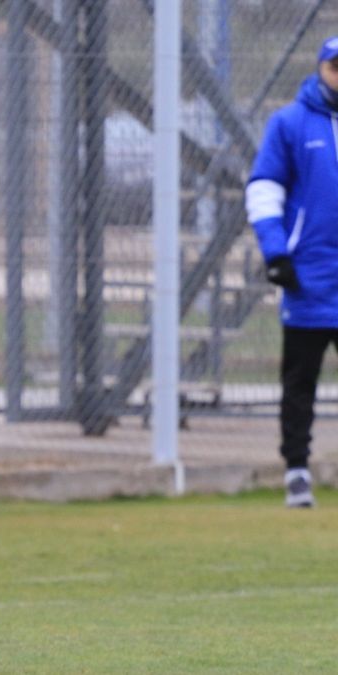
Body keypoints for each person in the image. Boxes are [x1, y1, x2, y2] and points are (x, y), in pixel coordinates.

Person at [246, 35, 338, 509]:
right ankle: (297, 472)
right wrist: (277, 253)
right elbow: (264, 187)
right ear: (321, 69)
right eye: (336, 67)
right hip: (309, 281)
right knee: (300, 383)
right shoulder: (290, 123)